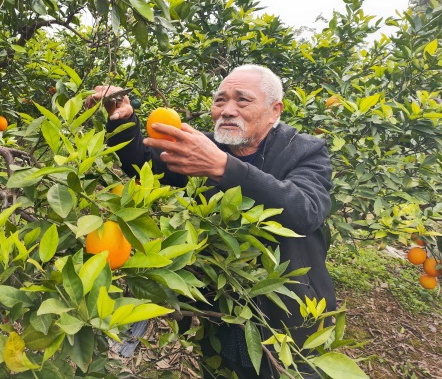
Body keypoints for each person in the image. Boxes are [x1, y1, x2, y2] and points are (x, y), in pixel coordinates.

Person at [86, 64, 336, 378]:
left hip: (286, 313)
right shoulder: (207, 147)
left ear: (275, 111)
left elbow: (307, 210)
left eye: (242, 100)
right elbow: (146, 162)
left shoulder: (303, 150)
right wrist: (123, 121)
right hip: (221, 306)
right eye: (220, 100)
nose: (227, 110)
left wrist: (224, 168)